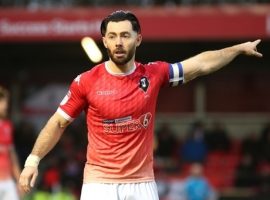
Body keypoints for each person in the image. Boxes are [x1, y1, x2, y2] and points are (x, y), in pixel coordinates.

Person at [19, 10, 262, 200]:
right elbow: (58, 122)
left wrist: (237, 49)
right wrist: (33, 161)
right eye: (112, 36)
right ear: (104, 41)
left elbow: (200, 65)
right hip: (99, 185)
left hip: (142, 184)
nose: (118, 42)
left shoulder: (154, 74)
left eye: (125, 35)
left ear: (139, 38)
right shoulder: (86, 81)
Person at [0, 86, 21, 200]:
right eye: (2, 102)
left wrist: (19, 180)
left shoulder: (8, 125)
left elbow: (12, 155)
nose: (5, 106)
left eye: (6, 102)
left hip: (8, 182)